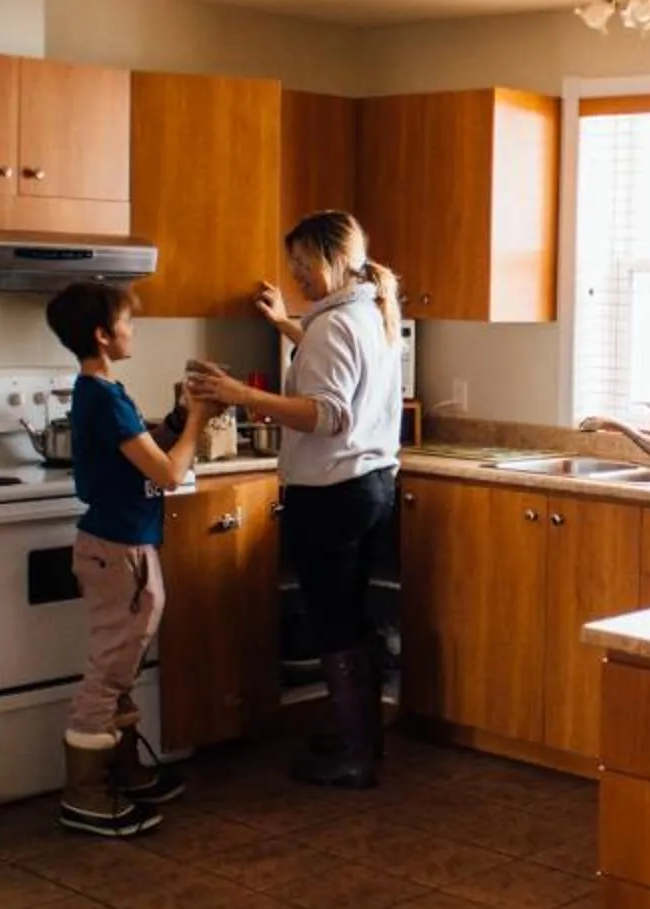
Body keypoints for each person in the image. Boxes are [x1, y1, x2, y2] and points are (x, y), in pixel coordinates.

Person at [194, 211, 403, 789]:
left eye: (304, 263)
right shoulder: (370, 309)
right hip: (371, 485)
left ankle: (355, 754)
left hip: (332, 493)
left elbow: (328, 415)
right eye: (293, 264)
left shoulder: (335, 325)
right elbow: (337, 366)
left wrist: (239, 394)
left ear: (334, 260)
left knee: (334, 621)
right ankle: (360, 737)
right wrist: (287, 324)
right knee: (351, 615)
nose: (296, 274)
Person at [44, 280, 208, 837]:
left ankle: (124, 770)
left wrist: (179, 418)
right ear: (102, 334)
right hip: (118, 553)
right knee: (109, 670)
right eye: (127, 322)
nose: (132, 331)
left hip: (122, 546)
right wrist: (200, 420)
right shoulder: (103, 397)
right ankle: (84, 794)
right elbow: (168, 473)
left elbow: (145, 450)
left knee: (121, 664)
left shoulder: (102, 391)